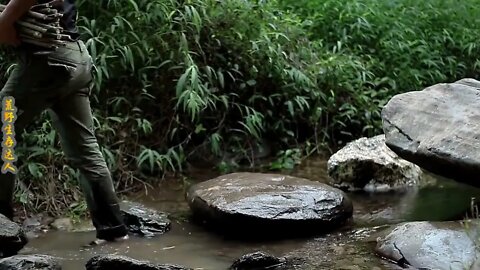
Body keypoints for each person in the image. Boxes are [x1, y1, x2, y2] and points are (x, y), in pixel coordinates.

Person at [0, 0, 129, 246]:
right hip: (75, 57)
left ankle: (2, 233)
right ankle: (114, 230)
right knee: (85, 149)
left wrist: (5, 22)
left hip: (48, 60)